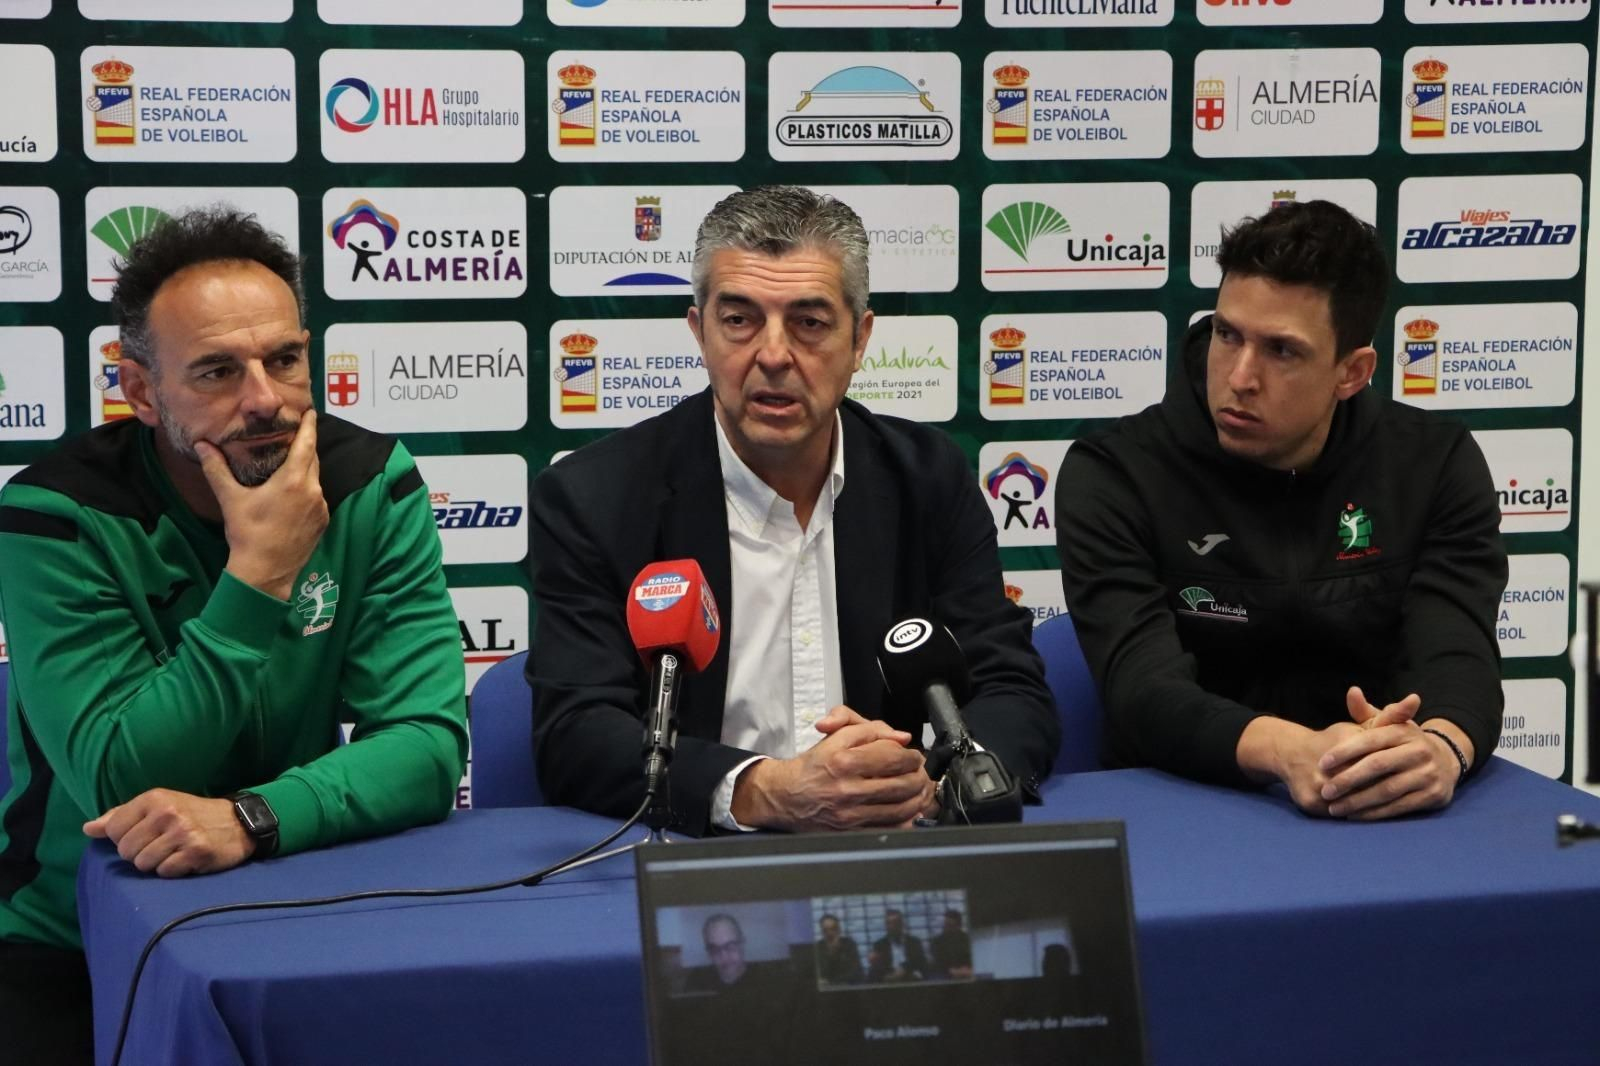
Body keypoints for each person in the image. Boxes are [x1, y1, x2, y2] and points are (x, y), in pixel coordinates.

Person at [0, 208, 468, 1060]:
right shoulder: (58, 516)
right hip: (73, 936)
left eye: (284, 360)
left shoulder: (372, 484)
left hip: (291, 895)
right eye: (216, 372)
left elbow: (430, 745)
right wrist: (259, 575)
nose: (265, 401)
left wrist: (251, 819)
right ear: (140, 390)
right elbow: (122, 774)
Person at [528, 185, 1058, 835]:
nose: (773, 355)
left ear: (860, 339)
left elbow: (1011, 690)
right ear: (699, 332)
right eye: (739, 319)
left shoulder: (928, 479)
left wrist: (932, 783)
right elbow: (577, 734)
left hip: (897, 856)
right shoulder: (594, 498)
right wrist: (762, 789)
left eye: (809, 322)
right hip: (695, 868)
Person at [1056, 199, 1506, 821]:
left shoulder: (1435, 464)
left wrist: (1441, 748)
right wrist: (1295, 752)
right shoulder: (1114, 471)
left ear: (1351, 372)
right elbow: (1143, 690)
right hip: (1175, 801)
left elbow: (1459, 655)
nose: (1240, 376)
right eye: (1227, 334)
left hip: (1379, 805)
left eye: (1282, 351)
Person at [867, 908, 926, 983]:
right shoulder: (879, 944)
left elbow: (920, 962)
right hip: (888, 979)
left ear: (902, 924)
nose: (892, 927)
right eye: (889, 923)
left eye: (895, 923)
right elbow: (879, 968)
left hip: (909, 976)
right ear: (886, 925)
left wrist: (904, 970)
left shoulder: (914, 942)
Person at [814, 912, 863, 985]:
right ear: (822, 931)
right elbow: (820, 974)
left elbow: (856, 973)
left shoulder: (849, 944)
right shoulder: (818, 947)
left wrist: (831, 982)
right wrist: (830, 953)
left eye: (833, 929)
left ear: (839, 929)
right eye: (825, 930)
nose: (829, 933)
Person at [929, 908, 973, 979]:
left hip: (966, 972)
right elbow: (938, 962)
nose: (946, 928)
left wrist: (966, 969)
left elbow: (970, 957)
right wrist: (952, 971)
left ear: (959, 925)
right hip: (944, 973)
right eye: (946, 924)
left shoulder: (967, 939)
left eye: (951, 925)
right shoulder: (936, 941)